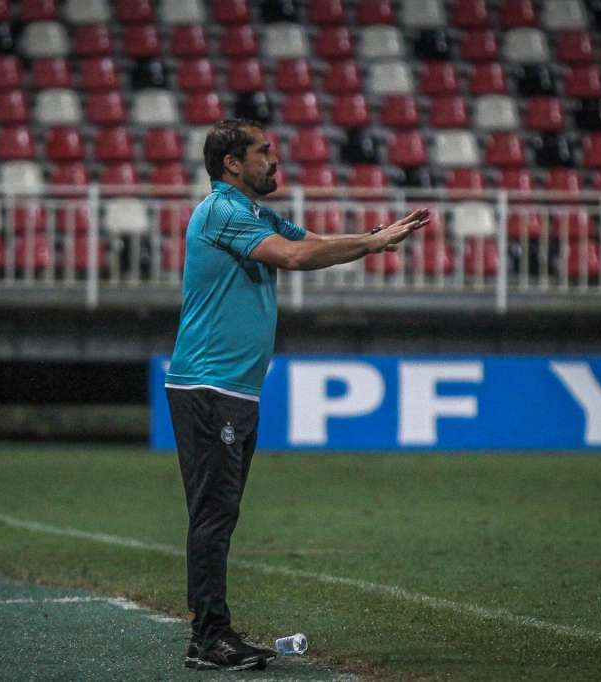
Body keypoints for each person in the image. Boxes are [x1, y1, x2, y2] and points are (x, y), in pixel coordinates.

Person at [165, 119, 428, 672]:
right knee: (214, 513)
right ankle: (210, 638)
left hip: (231, 388)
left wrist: (373, 239)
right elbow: (292, 257)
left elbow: (308, 242)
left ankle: (208, 635)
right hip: (209, 386)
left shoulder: (254, 214)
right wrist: (373, 242)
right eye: (262, 151)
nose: (274, 159)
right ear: (232, 163)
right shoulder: (223, 212)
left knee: (220, 512)